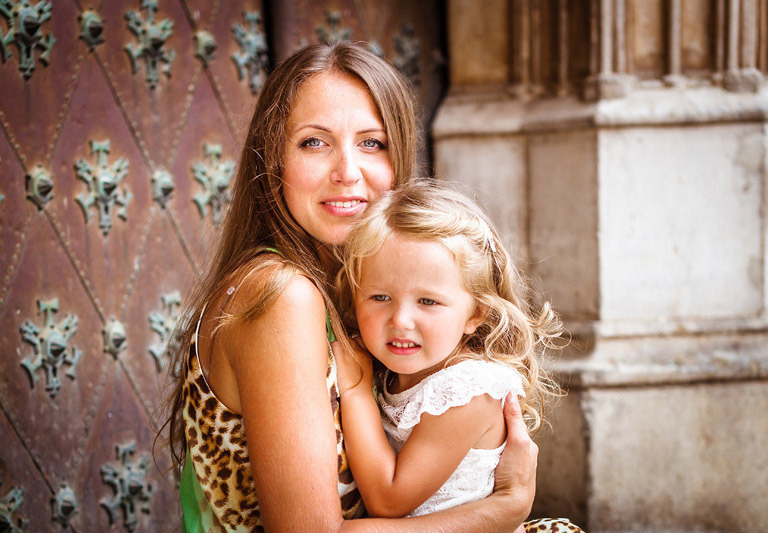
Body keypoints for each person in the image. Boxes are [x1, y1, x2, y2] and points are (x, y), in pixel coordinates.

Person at [165, 41, 579, 532]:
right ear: (272, 160)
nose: (348, 172)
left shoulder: (356, 297)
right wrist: (506, 507)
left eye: (372, 143)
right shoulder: (283, 294)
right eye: (314, 142)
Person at [332, 180, 563, 524]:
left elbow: (389, 498)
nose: (401, 320)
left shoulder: (466, 390)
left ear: (474, 315)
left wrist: (355, 390)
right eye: (380, 297)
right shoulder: (392, 372)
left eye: (428, 301)